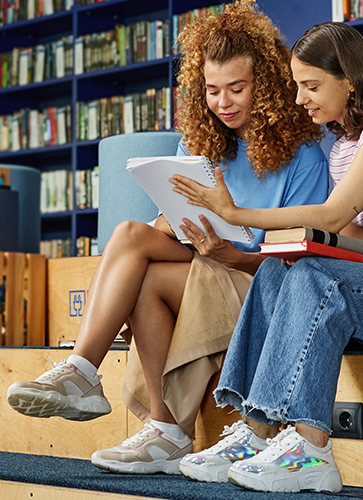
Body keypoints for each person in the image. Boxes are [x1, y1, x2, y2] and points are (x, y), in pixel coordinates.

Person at [6, 0, 329, 475]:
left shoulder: (304, 158)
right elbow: (168, 227)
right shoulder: (199, 144)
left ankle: (158, 425)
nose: (223, 103)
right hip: (205, 260)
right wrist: (176, 225)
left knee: (146, 275)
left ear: (267, 85)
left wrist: (229, 254)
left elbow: (300, 266)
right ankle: (86, 374)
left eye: (237, 88)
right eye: (213, 90)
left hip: (262, 284)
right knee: (133, 236)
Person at [170, 22, 363, 493]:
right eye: (298, 86)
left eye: (311, 86)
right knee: (280, 268)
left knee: (318, 277)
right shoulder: (342, 150)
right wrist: (289, 251)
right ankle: (257, 431)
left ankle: (311, 449)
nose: (300, 99)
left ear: (351, 81)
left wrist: (234, 212)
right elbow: (353, 247)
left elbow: (336, 213)